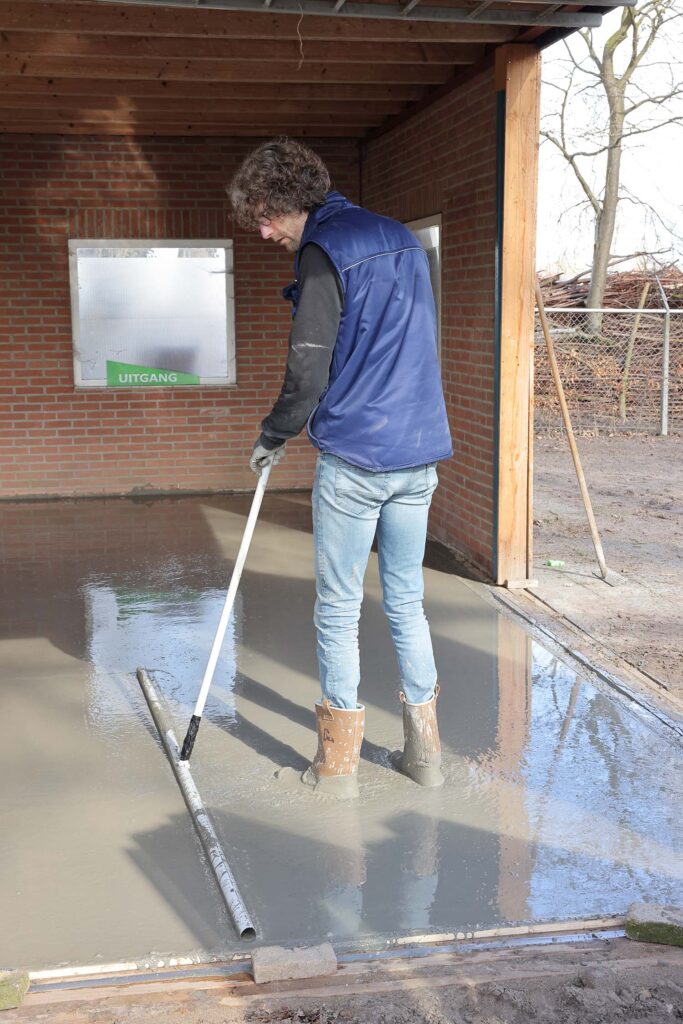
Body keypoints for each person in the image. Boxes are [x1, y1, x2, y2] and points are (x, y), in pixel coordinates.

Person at [229, 139, 452, 800]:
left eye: (264, 217)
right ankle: (425, 757)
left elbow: (308, 368)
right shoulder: (398, 239)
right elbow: (389, 336)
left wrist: (274, 435)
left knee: (337, 606)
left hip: (356, 457)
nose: (263, 231)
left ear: (288, 203)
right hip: (418, 452)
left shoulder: (323, 251)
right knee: (407, 600)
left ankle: (336, 766)